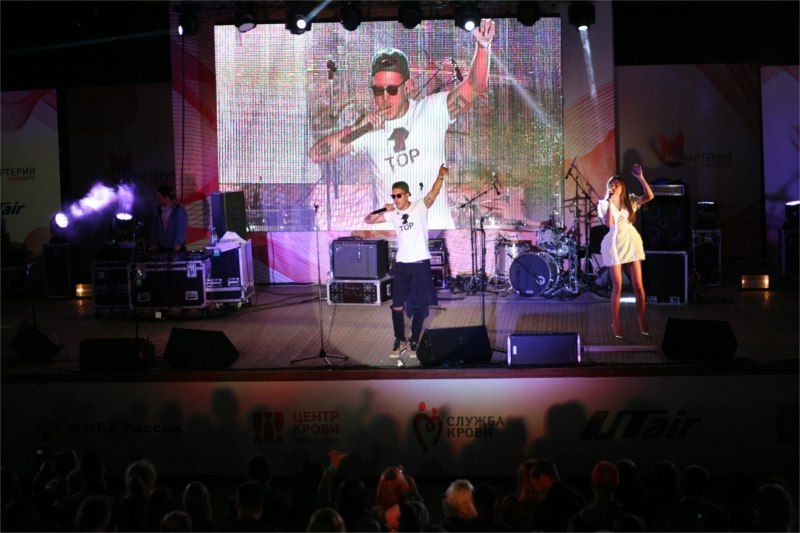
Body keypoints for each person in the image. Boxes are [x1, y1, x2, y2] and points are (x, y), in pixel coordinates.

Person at [309, 20, 496, 229]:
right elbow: (316, 154)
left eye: (392, 90)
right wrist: (358, 130)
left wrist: (483, 47)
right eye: (378, 91)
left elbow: (475, 86)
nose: (384, 97)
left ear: (407, 86)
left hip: (432, 233)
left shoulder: (432, 111)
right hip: (391, 236)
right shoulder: (367, 128)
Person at [364, 166, 448, 361]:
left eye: (399, 195)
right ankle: (399, 340)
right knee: (397, 305)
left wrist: (440, 176)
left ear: (407, 194)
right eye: (393, 196)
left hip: (420, 264)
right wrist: (382, 209)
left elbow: (433, 194)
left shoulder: (419, 206)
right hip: (402, 264)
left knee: (420, 305)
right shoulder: (393, 213)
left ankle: (414, 340)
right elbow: (368, 220)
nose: (396, 199)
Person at [597, 163, 654, 339]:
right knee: (618, 286)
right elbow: (609, 224)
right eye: (611, 185)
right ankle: (615, 321)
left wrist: (641, 178)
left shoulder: (631, 200)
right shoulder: (604, 203)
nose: (613, 187)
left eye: (616, 185)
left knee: (639, 285)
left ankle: (641, 318)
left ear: (622, 186)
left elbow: (650, 196)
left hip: (630, 240)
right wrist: (609, 202)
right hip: (615, 243)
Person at [530, 460, 586, 532]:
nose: (535, 489)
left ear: (544, 478)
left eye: (534, 484)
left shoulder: (547, 505)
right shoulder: (577, 497)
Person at [149, 184, 188, 253]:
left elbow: (181, 228)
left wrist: (178, 243)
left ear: (167, 197)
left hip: (175, 247)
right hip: (161, 246)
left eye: (159, 197)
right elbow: (155, 228)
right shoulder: (159, 210)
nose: (157, 199)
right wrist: (153, 243)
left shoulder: (178, 210)